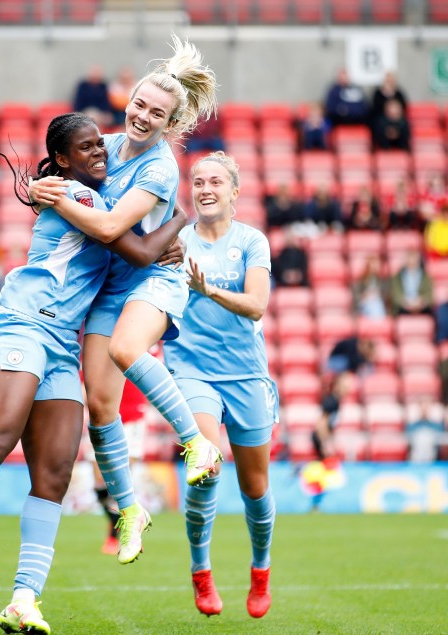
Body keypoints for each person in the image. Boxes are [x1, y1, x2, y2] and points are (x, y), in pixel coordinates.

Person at [0, 112, 186, 634]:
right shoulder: (76, 199)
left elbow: (136, 255)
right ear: (61, 160)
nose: (99, 153)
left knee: (54, 476)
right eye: (85, 148)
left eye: (100, 144)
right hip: (20, 327)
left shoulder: (84, 197)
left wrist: (158, 243)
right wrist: (180, 222)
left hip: (60, 344)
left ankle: (24, 599)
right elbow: (140, 250)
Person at [28, 38, 222, 566]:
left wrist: (61, 196)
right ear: (128, 100)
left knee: (128, 349)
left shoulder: (160, 169)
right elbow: (58, 171)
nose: (143, 116)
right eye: (139, 104)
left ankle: (196, 442)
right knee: (100, 406)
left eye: (157, 113)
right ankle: (129, 509)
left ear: (169, 124)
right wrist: (41, 186)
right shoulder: (103, 145)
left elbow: (113, 226)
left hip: (152, 277)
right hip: (108, 287)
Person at [161, 152, 277, 618]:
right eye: (198, 181)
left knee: (255, 487)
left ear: (234, 192)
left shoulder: (252, 241)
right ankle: (201, 572)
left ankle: (261, 569)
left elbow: (256, 305)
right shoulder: (176, 241)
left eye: (215, 182)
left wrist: (209, 291)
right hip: (192, 371)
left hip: (247, 375)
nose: (205, 188)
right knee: (207, 466)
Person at [390, 251, 433, 316]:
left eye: (414, 260)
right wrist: (407, 302)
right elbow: (396, 295)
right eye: (410, 260)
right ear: (406, 262)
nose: (412, 263)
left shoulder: (426, 277)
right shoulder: (397, 277)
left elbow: (429, 296)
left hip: (422, 307)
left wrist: (420, 302)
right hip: (403, 307)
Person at [73, 64, 113, 129]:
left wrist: (107, 113)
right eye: (94, 73)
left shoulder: (103, 86)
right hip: (85, 112)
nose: (95, 75)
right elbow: (78, 102)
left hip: (100, 113)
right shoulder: (83, 85)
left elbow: (106, 102)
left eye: (97, 73)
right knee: (92, 117)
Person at [352, 255, 388, 319]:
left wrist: (376, 294)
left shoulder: (380, 280)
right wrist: (365, 295)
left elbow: (384, 295)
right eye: (373, 264)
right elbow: (357, 296)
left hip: (377, 301)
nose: (375, 266)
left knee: (377, 304)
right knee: (374, 306)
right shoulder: (362, 279)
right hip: (365, 303)